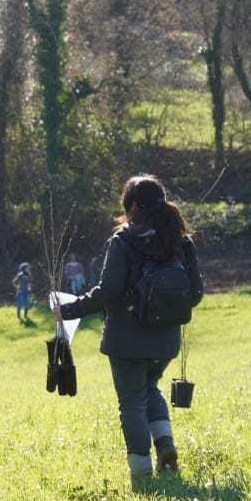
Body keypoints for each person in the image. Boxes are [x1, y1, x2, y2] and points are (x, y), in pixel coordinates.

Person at [54, 175, 203, 482]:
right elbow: (196, 292)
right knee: (149, 389)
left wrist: (66, 310)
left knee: (131, 402)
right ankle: (166, 446)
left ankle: (141, 473)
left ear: (132, 205)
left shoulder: (123, 240)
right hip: (166, 339)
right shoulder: (181, 239)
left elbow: (106, 292)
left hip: (126, 338)